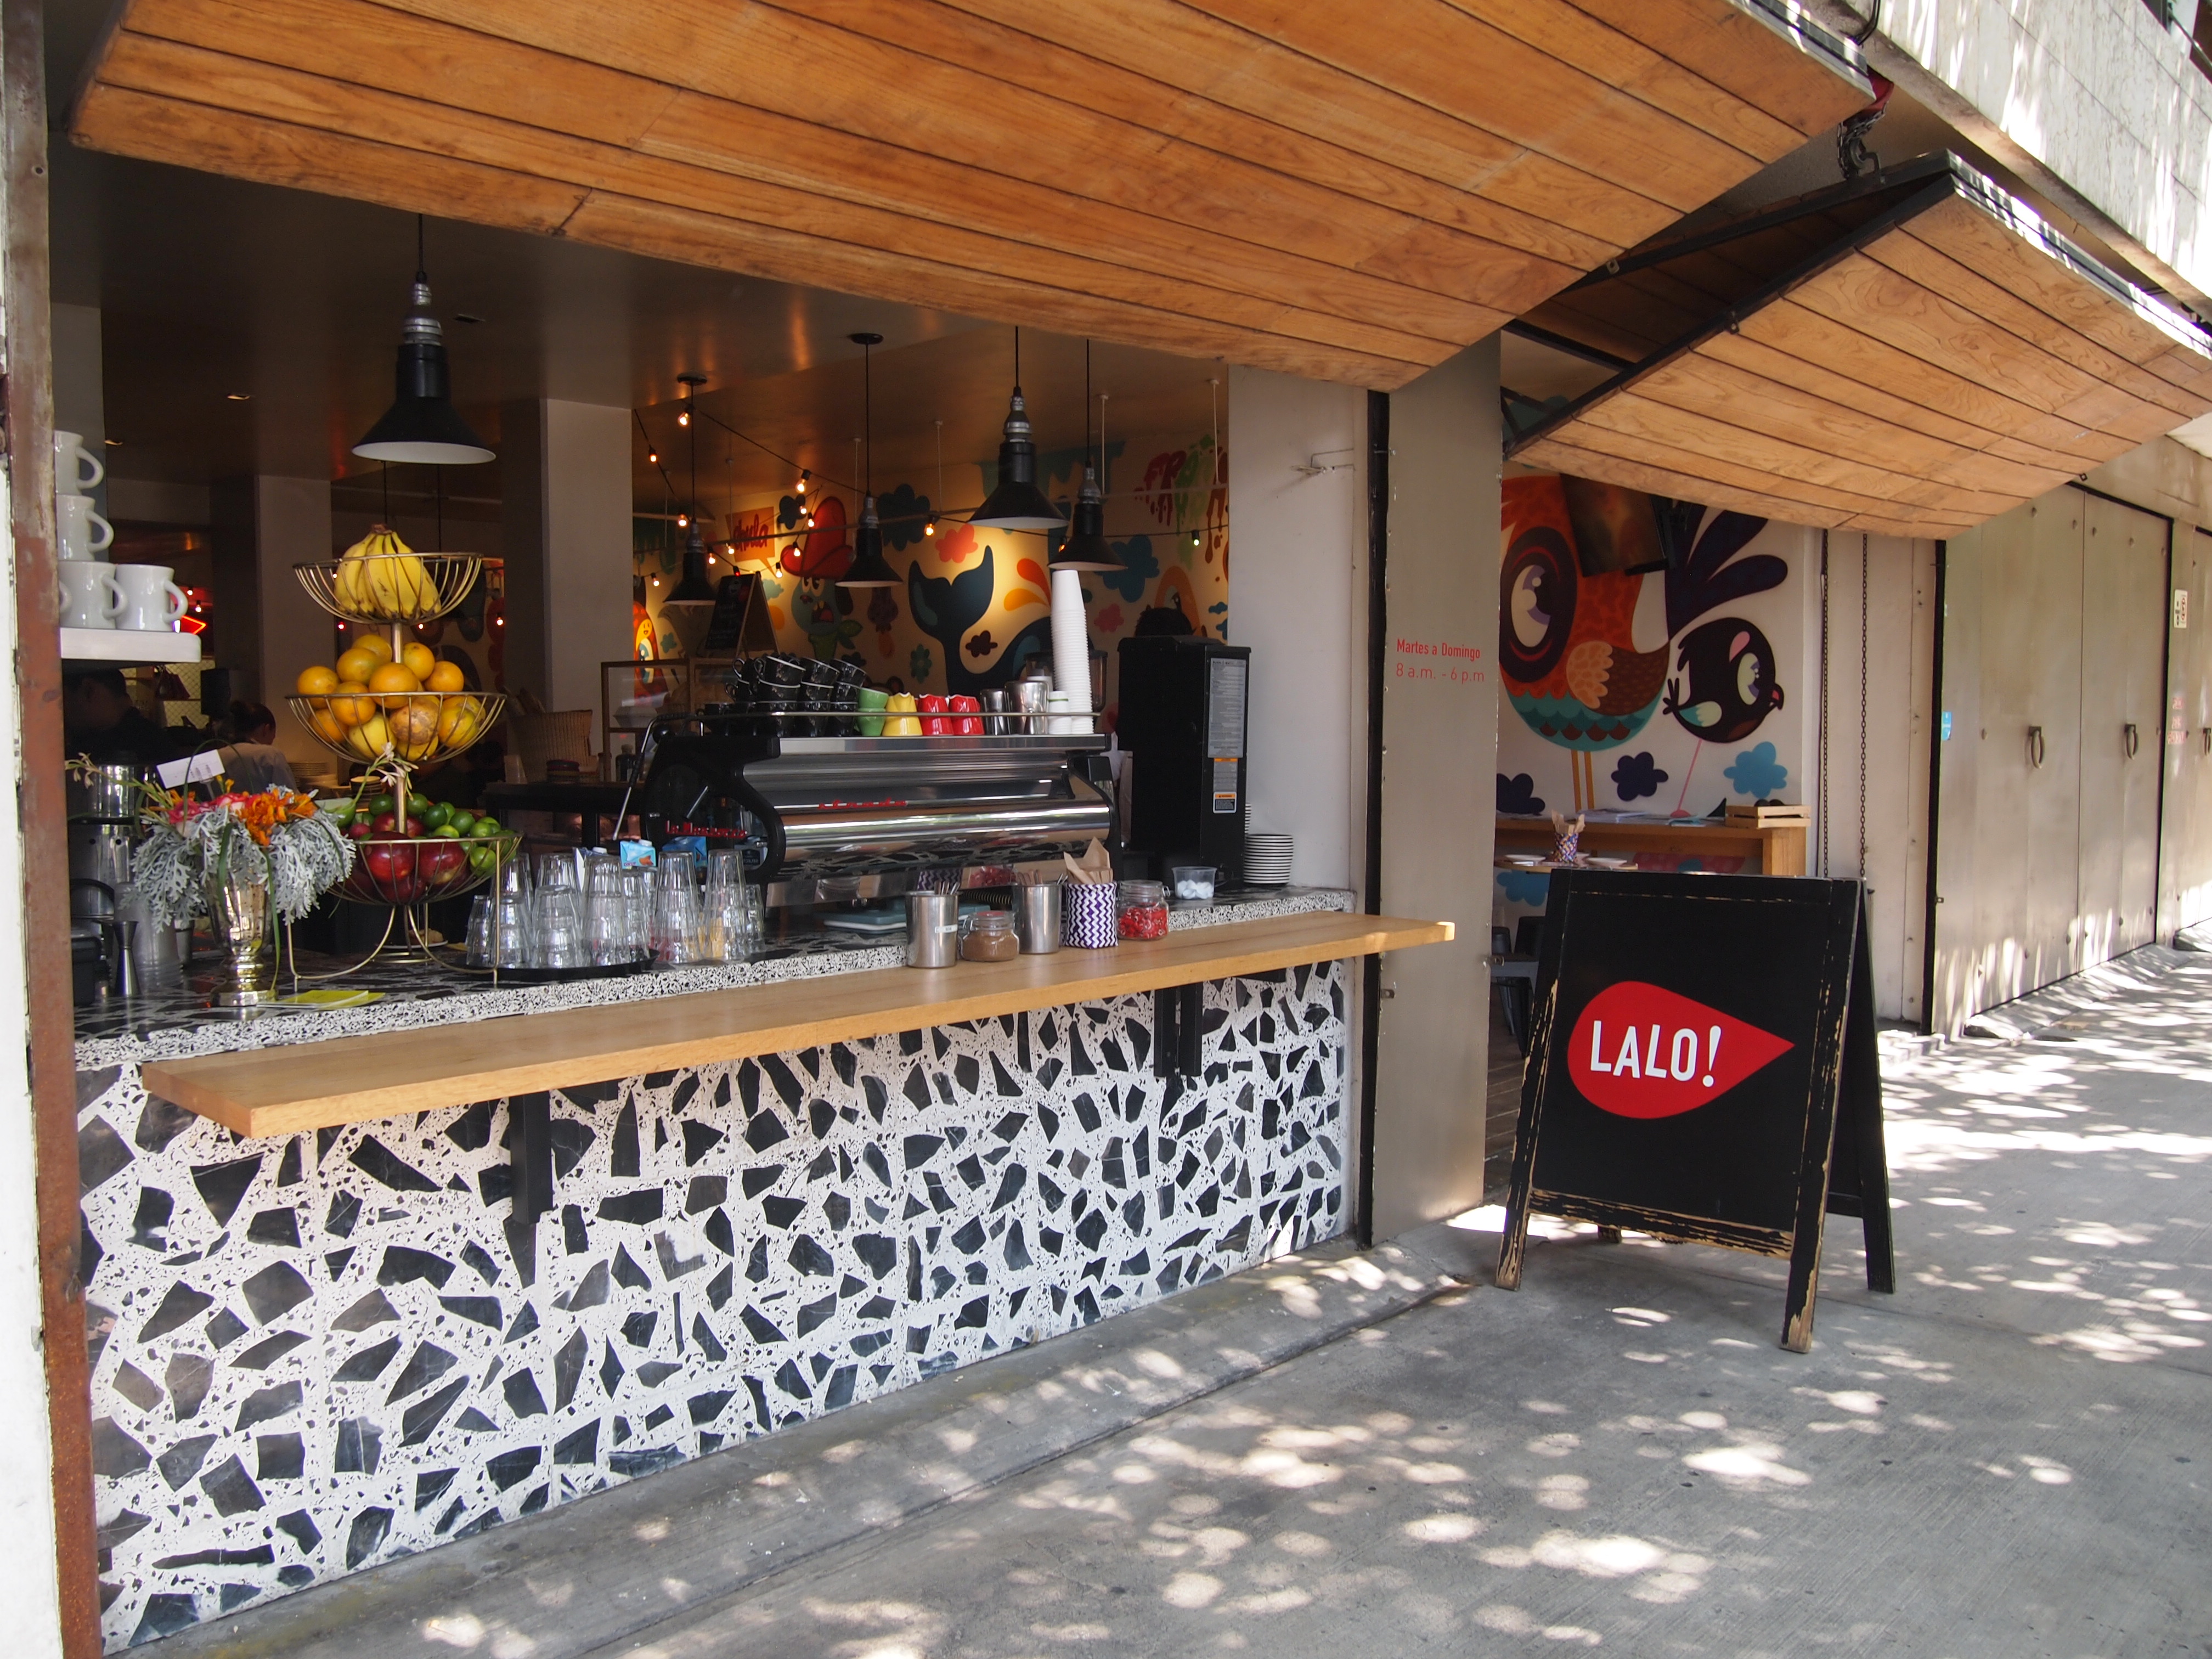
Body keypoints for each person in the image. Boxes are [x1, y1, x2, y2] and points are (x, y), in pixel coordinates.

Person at [62, 669, 188, 766]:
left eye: (66, 699)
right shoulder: (149, 736)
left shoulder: (144, 743)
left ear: (89, 690)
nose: (63, 710)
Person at [219, 701, 296, 791]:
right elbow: (288, 796)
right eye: (274, 733)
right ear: (266, 729)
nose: (274, 738)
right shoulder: (270, 755)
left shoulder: (217, 756)